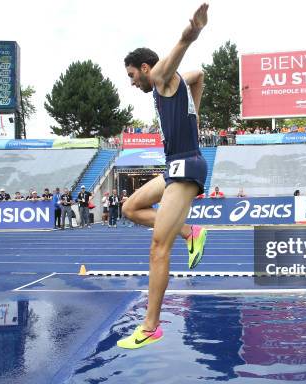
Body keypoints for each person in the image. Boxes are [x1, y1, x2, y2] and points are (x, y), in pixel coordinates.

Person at [117, 3, 209, 349]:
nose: (131, 82)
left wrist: (193, 32)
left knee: (159, 246)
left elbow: (181, 55)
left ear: (144, 68)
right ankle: (191, 232)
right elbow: (198, 76)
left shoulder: (158, 79)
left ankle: (151, 326)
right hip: (174, 166)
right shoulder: (178, 85)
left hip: (185, 167)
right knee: (130, 207)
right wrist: (193, 110)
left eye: (131, 75)